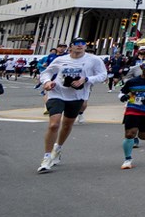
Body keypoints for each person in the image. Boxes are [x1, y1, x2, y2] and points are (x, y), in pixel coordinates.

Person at [37, 39, 107, 173]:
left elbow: (103, 75)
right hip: (57, 93)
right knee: (54, 124)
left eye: (83, 44)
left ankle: (57, 148)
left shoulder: (94, 60)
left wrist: (86, 79)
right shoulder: (61, 60)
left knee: (67, 125)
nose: (80, 46)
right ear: (71, 47)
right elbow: (47, 72)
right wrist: (47, 82)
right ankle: (46, 157)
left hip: (77, 96)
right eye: (76, 44)